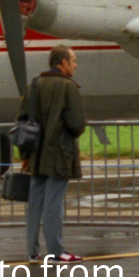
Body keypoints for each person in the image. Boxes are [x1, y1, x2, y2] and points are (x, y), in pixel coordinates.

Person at [18, 44, 87, 263]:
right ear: (63, 63)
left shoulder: (34, 86)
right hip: (60, 154)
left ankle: (32, 251)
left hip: (36, 154)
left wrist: (25, 155)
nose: (75, 65)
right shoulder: (68, 87)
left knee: (35, 204)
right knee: (53, 205)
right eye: (73, 60)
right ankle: (56, 251)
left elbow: (22, 120)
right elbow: (77, 124)